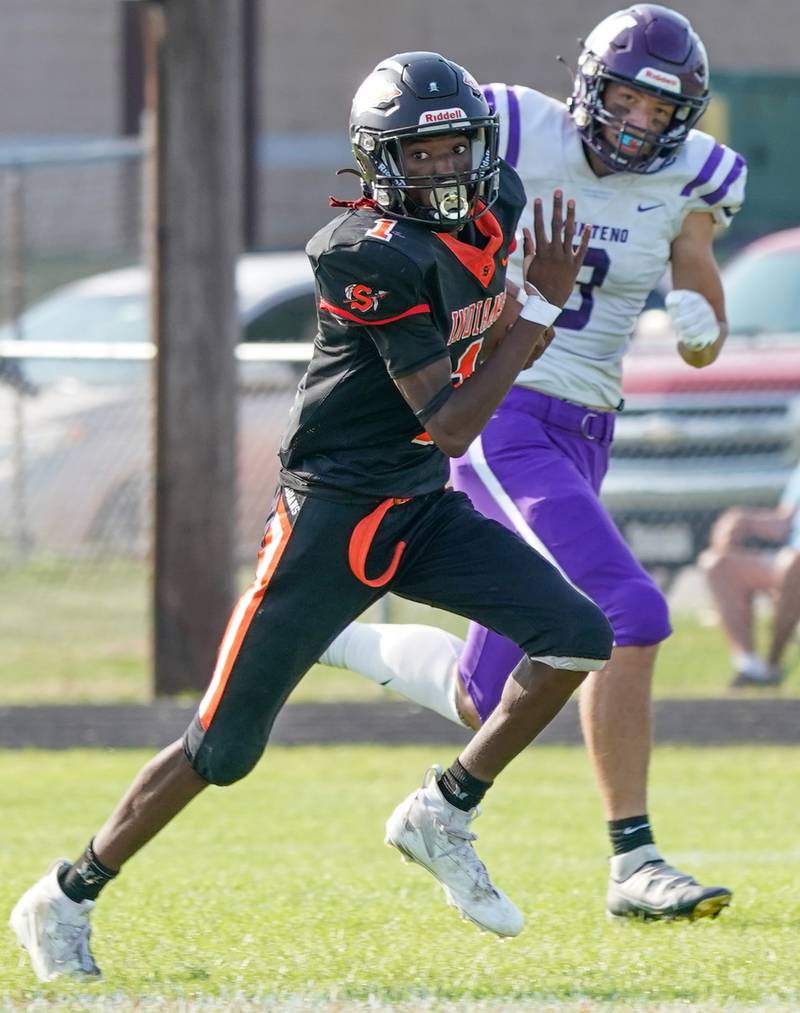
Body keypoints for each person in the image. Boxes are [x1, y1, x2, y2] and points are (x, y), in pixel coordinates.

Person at [9, 51, 614, 982]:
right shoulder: (361, 254)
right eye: (422, 156)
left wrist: (522, 312)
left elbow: (476, 351)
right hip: (329, 518)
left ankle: (444, 809)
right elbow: (451, 423)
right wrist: (537, 310)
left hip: (416, 505)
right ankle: (66, 892)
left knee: (576, 632)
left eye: (458, 148)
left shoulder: (494, 213)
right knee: (224, 747)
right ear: (380, 163)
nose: (446, 170)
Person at [319, 5, 745, 921]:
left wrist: (701, 313)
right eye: (623, 97)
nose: (635, 123)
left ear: (684, 119)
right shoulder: (510, 123)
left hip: (588, 429)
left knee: (488, 693)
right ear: (588, 85)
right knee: (627, 611)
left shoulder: (693, 179)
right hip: (504, 410)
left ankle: (332, 631)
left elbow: (699, 291)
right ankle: (632, 858)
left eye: (657, 111)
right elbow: (412, 172)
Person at [700, 463, 800, 687]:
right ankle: (751, 668)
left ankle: (772, 665)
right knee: (718, 564)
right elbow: (783, 523)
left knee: (794, 563)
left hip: (794, 563)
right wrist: (740, 519)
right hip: (790, 562)